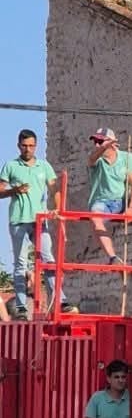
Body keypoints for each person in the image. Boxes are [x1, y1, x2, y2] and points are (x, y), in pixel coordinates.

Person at [0, 128, 67, 318]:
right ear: (19, 146)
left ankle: (60, 300)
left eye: (31, 146)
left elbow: (54, 188)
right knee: (21, 264)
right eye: (24, 146)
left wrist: (57, 208)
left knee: (49, 260)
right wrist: (14, 190)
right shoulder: (11, 166)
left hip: (40, 219)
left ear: (36, 146)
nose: (28, 149)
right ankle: (21, 307)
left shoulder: (44, 166)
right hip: (19, 220)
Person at [85, 129, 132, 266]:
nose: (97, 145)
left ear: (112, 142)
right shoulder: (96, 160)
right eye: (95, 142)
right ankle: (113, 258)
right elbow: (91, 159)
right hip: (102, 203)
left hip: (122, 202)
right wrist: (104, 146)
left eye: (100, 141)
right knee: (95, 217)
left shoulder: (127, 158)